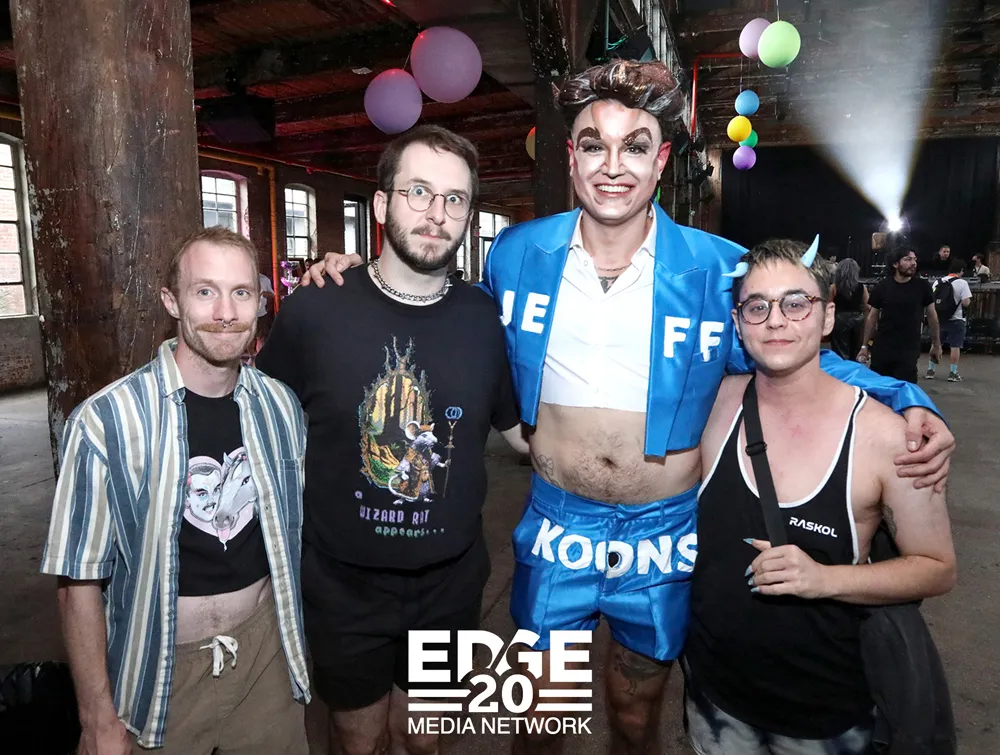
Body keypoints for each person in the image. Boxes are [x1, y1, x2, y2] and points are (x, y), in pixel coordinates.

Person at [302, 62, 954, 755]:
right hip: (557, 520)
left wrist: (905, 394)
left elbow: (791, 346)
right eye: (594, 145)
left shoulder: (720, 267)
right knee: (538, 717)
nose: (613, 166)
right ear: (571, 156)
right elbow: (443, 310)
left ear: (661, 159)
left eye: (634, 146)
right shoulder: (518, 253)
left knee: (637, 715)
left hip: (665, 526)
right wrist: (357, 278)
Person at [255, 125, 527, 755]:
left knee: (425, 741)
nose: (437, 213)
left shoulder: (484, 319)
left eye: (455, 199)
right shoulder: (316, 307)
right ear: (381, 204)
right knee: (358, 739)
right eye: (419, 192)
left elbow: (520, 433)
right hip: (342, 585)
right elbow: (258, 428)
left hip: (450, 584)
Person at [41, 227, 311, 754]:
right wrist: (97, 719)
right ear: (172, 301)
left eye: (241, 292)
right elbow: (77, 582)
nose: (225, 312)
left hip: (266, 660)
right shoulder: (106, 421)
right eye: (205, 291)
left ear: (260, 303)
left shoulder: (282, 408)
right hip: (158, 673)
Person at [685, 238, 956, 755]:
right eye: (757, 306)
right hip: (714, 701)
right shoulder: (712, 405)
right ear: (738, 323)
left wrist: (823, 579)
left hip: (826, 717)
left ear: (827, 316)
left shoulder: (887, 437)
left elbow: (937, 568)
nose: (776, 321)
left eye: (796, 303)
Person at [859, 247, 942, 384]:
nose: (913, 263)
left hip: (909, 350)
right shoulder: (883, 286)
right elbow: (872, 317)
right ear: (895, 264)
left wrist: (936, 344)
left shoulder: (923, 287)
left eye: (914, 259)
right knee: (879, 388)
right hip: (883, 348)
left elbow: (932, 316)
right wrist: (864, 346)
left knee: (905, 388)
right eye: (908, 259)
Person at [927, 258, 973, 382]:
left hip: (939, 318)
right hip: (956, 319)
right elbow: (966, 302)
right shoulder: (962, 283)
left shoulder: (938, 282)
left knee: (936, 344)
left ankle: (930, 370)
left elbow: (931, 299)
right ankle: (953, 373)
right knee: (955, 346)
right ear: (961, 270)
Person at [830, 258, 868, 359]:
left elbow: (828, 305)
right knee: (856, 350)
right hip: (858, 319)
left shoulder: (834, 287)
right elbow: (867, 306)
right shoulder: (862, 287)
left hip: (840, 320)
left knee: (840, 351)